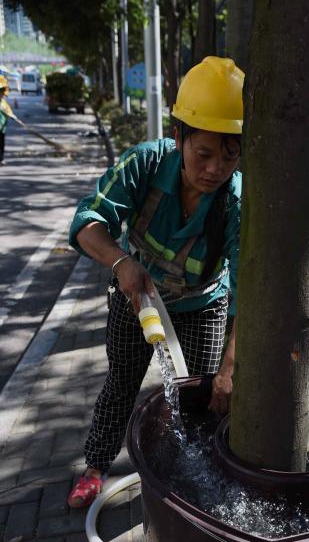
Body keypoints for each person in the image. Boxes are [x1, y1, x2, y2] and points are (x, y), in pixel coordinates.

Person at [67, 56, 244, 508]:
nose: (214, 170)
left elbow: (250, 293)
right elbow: (88, 222)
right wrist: (121, 262)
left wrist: (230, 368)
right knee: (121, 382)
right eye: (203, 154)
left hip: (202, 304)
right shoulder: (144, 166)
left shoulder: (235, 201)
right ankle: (96, 466)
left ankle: (188, 476)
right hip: (137, 297)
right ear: (179, 136)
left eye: (229, 156)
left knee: (201, 397)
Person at [0, 76, 14, 165]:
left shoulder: (3, 102)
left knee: (1, 144)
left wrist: (12, 116)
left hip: (2, 128)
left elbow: (9, 111)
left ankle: (1, 159)